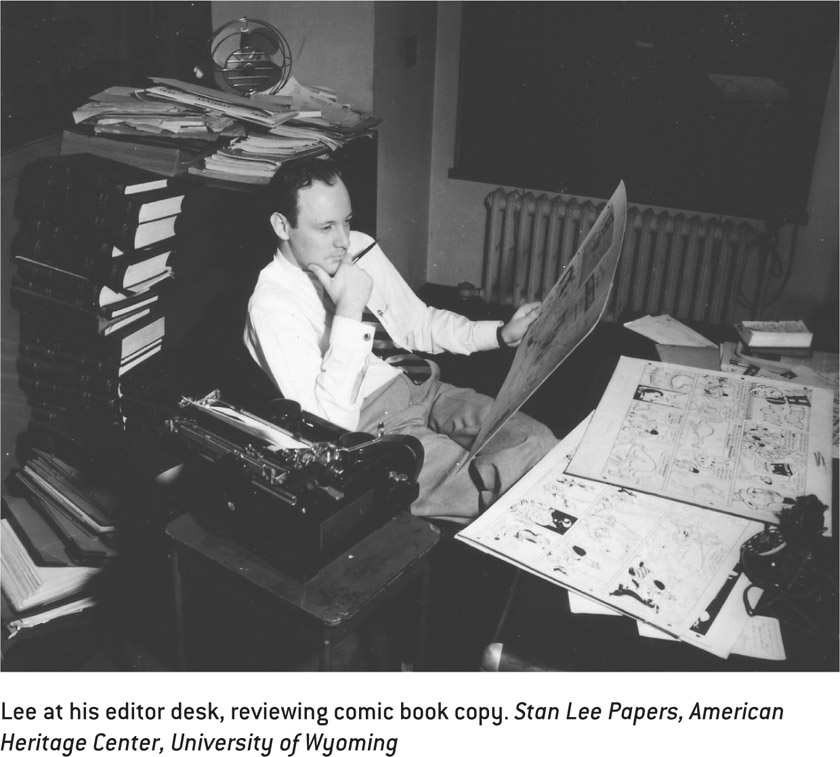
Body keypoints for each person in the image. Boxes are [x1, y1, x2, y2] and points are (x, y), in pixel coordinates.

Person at [244, 156, 556, 522]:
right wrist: (349, 310)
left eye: (346, 221)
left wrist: (500, 334)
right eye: (325, 227)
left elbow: (417, 322)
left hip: (423, 384)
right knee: (486, 492)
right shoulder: (271, 306)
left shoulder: (355, 246)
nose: (343, 241)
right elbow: (326, 423)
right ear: (283, 225)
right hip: (370, 426)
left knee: (538, 444)